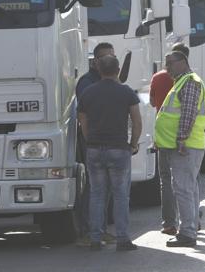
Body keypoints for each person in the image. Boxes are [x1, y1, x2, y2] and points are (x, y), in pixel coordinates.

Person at [78, 55, 142, 251]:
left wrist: (91, 141)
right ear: (118, 69)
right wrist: (133, 144)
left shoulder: (88, 92)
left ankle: (95, 238)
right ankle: (123, 239)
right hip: (118, 149)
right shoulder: (126, 92)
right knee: (121, 195)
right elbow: (137, 122)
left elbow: (83, 122)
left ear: (98, 68)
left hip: (95, 149)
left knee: (97, 194)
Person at [154, 51, 205, 247]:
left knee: (183, 189)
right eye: (165, 63)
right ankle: (190, 228)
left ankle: (187, 233)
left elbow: (188, 112)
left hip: (185, 146)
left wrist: (181, 139)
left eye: (170, 63)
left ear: (183, 62)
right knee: (189, 188)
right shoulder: (183, 81)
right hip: (187, 145)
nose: (167, 67)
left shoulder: (189, 81)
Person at [76, 42, 116, 246]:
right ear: (95, 61)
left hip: (107, 140)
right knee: (94, 187)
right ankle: (89, 231)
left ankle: (99, 229)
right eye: (105, 58)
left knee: (105, 186)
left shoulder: (106, 79)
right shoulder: (87, 82)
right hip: (93, 141)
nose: (110, 60)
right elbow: (85, 113)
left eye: (112, 57)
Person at [150, 43, 190, 236]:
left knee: (166, 181)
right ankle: (192, 220)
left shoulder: (157, 78)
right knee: (188, 181)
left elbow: (151, 102)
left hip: (164, 138)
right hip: (184, 138)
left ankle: (169, 223)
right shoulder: (190, 81)